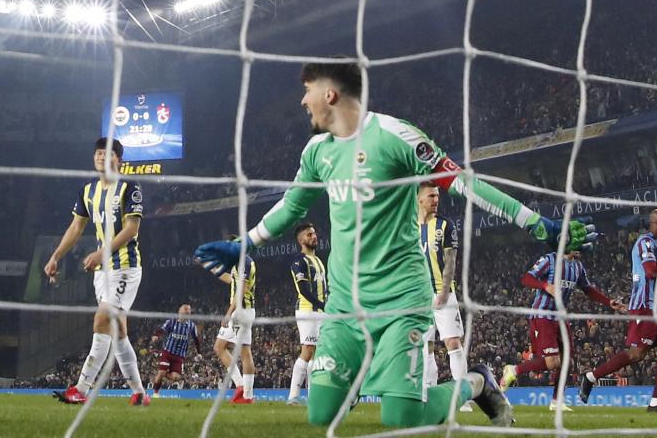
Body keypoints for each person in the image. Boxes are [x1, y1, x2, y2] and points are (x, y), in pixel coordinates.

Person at [194, 61, 597, 428]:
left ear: (330, 94)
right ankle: (355, 381)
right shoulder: (317, 151)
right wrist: (245, 244)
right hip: (345, 305)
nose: (303, 101)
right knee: (320, 414)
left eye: (307, 90)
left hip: (401, 299)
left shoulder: (394, 135)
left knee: (402, 418)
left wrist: (534, 222)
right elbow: (290, 206)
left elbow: (461, 182)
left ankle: (477, 382)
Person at [46, 137, 149, 406]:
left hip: (125, 267)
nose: (102, 157)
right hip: (102, 273)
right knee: (119, 332)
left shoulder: (129, 187)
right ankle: (139, 393)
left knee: (102, 318)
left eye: (108, 154)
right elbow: (76, 228)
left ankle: (81, 388)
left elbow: (132, 229)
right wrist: (56, 256)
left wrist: (101, 253)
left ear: (119, 160)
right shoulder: (88, 191)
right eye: (98, 153)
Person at [579, 209, 657, 412]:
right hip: (645, 306)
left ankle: (656, 402)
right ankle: (591, 377)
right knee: (637, 354)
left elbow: (653, 279)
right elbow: (651, 272)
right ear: (656, 223)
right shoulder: (645, 243)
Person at [501, 250, 624, 410]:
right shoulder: (550, 259)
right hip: (543, 314)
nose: (580, 248)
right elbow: (527, 278)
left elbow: (587, 289)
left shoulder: (578, 267)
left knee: (568, 362)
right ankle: (514, 370)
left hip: (560, 317)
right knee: (553, 362)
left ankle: (556, 401)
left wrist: (608, 302)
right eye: (577, 243)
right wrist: (545, 286)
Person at [415, 183, 472, 412]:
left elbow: (450, 261)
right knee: (425, 346)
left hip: (443, 294)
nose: (436, 199)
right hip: (418, 296)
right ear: (419, 199)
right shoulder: (408, 227)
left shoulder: (445, 225)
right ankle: (427, 393)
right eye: (431, 196)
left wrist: (444, 291)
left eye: (437, 196)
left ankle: (463, 397)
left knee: (453, 343)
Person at [288, 221, 327, 406]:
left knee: (317, 354)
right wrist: (322, 305)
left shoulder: (318, 260)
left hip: (320, 311)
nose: (314, 237)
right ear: (300, 240)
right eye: (309, 234)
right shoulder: (299, 261)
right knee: (308, 351)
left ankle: (313, 396)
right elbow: (304, 289)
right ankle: (293, 396)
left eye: (314, 233)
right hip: (307, 311)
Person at [213, 251, 257, 404]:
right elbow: (230, 279)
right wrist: (211, 267)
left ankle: (247, 396)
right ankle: (240, 386)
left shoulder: (245, 262)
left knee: (245, 352)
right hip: (240, 311)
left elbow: (242, 289)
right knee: (219, 347)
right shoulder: (238, 263)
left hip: (241, 311)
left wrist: (228, 313)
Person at [148, 304, 200, 396]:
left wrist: (199, 352)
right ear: (180, 312)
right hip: (168, 352)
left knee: (176, 377)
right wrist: (156, 335)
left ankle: (163, 372)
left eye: (188, 312)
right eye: (185, 311)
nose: (187, 313)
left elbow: (196, 339)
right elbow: (162, 329)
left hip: (179, 356)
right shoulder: (172, 322)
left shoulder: (191, 325)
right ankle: (155, 393)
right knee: (161, 373)